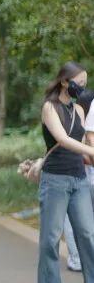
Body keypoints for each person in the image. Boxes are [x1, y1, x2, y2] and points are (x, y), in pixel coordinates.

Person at [33, 61, 94, 283]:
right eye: (79, 83)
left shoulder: (78, 110)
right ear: (64, 81)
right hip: (55, 179)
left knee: (88, 235)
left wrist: (89, 155)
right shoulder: (50, 107)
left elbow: (81, 146)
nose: (83, 88)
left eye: (85, 84)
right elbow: (63, 139)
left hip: (79, 178)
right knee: (51, 237)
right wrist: (91, 150)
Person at [59, 88, 94, 272]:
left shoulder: (77, 122)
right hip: (83, 177)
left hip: (79, 178)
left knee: (71, 219)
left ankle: (76, 259)